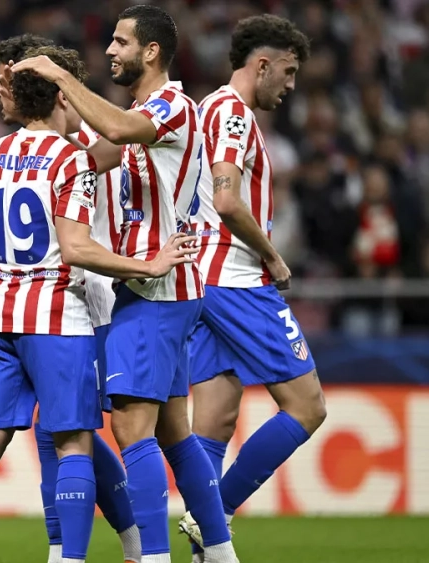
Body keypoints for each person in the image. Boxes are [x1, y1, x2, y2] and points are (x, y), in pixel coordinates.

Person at [0, 45, 195, 563]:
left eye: (3, 86)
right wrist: (148, 265)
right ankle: (76, 555)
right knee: (75, 440)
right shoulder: (75, 158)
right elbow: (75, 245)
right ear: (60, 95)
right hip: (64, 311)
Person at [11, 5, 237, 562]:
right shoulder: (139, 114)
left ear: (151, 51)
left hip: (152, 291)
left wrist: (62, 77)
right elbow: (87, 159)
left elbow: (115, 129)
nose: (109, 51)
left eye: (119, 42)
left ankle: (153, 556)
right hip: (159, 292)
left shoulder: (173, 108)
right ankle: (222, 553)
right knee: (174, 436)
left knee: (133, 432)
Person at [180, 15, 325, 560]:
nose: (290, 85)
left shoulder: (212, 108)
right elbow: (226, 200)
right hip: (236, 278)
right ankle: (210, 518)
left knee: (215, 415)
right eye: (287, 72)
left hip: (203, 279)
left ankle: (206, 551)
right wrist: (272, 256)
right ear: (260, 64)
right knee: (308, 408)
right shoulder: (233, 114)